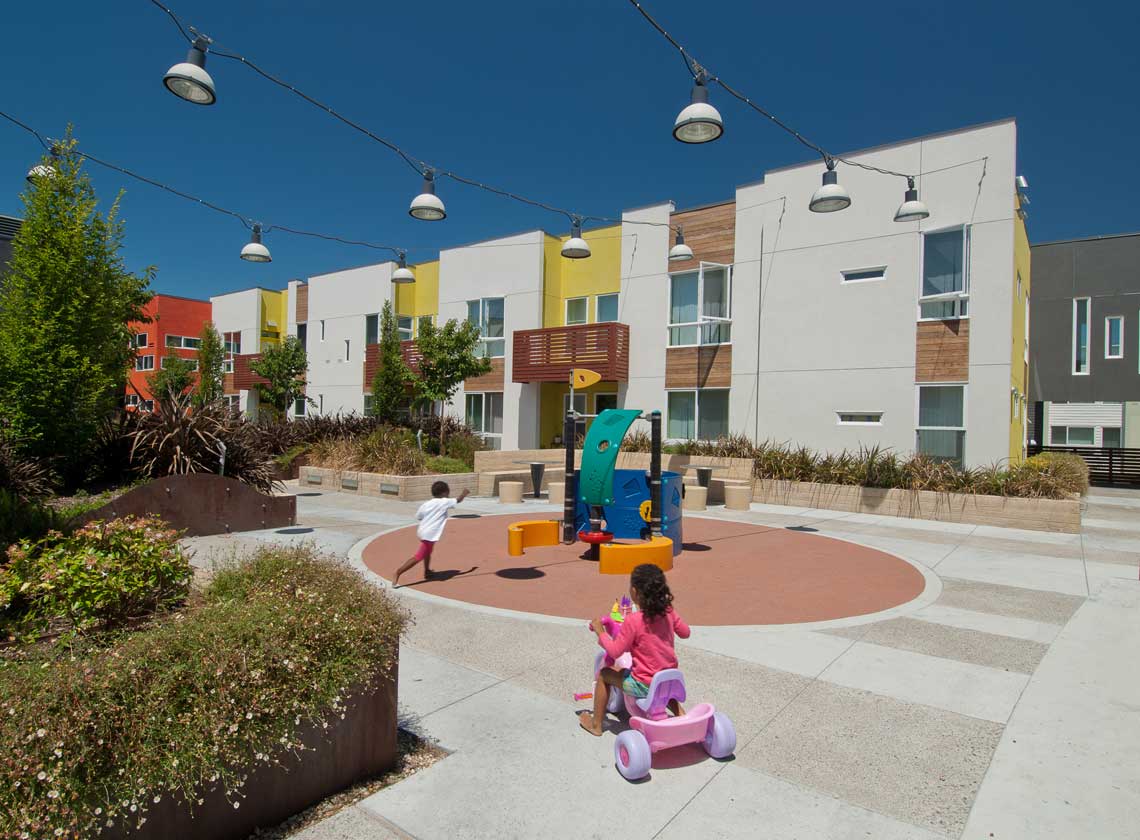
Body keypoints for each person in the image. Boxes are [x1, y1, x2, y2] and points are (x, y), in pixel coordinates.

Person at [578, 563, 689, 736]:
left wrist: (600, 632)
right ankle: (682, 716)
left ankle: (596, 725)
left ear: (635, 593)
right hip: (670, 681)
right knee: (659, 679)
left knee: (605, 675)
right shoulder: (668, 612)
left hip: (643, 685)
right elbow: (685, 633)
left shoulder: (634, 621)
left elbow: (615, 651)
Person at [393, 481, 470, 587]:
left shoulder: (427, 503)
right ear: (444, 493)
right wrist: (464, 493)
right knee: (419, 556)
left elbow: (419, 516)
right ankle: (398, 572)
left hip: (423, 531)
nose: (448, 495)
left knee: (428, 552)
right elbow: (458, 500)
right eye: (448, 492)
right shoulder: (444, 502)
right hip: (429, 534)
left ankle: (427, 571)